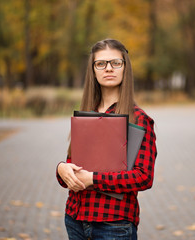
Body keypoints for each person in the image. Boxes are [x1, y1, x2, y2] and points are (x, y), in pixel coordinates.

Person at [56, 39, 157, 240]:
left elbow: (144, 177)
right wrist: (61, 169)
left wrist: (93, 178)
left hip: (113, 225)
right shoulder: (86, 114)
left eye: (115, 63)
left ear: (125, 68)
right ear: (93, 70)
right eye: (101, 63)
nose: (108, 68)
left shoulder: (139, 119)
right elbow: (73, 166)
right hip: (75, 219)